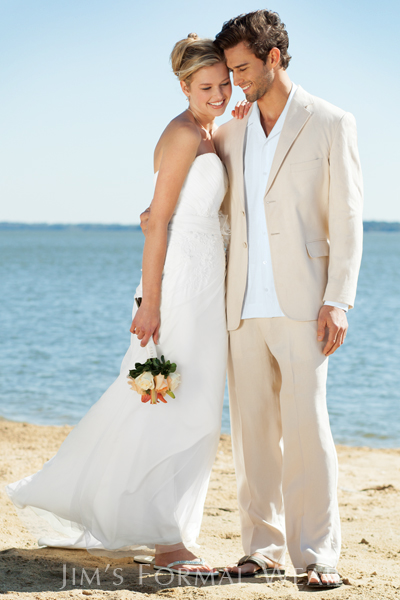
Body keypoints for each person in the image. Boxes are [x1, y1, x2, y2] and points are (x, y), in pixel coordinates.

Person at [5, 34, 233, 577]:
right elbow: (156, 220)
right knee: (171, 401)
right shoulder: (182, 135)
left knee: (194, 401)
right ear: (183, 86)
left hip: (207, 285)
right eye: (208, 87)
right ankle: (169, 542)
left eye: (225, 84)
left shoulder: (210, 130)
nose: (220, 94)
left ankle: (168, 528)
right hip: (179, 284)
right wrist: (150, 301)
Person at [213, 10, 363, 589]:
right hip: (242, 306)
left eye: (244, 68)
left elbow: (347, 220)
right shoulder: (232, 130)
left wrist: (339, 300)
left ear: (274, 58)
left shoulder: (330, 122)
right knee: (252, 435)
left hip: (305, 303)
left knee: (308, 430)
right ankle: (261, 548)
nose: (236, 81)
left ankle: (317, 554)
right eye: (230, 70)